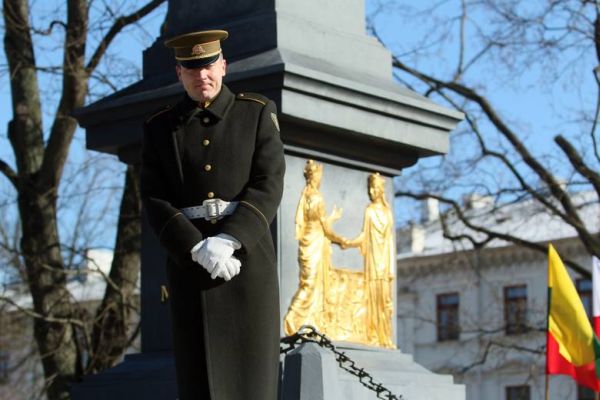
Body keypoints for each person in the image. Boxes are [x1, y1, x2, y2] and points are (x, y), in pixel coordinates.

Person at [140, 29, 285, 400]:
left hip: (246, 263)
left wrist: (230, 238)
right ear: (179, 73)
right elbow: (154, 197)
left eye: (207, 66)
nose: (201, 76)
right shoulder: (160, 128)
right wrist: (194, 247)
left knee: (252, 380)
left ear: (223, 65)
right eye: (191, 69)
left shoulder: (255, 113)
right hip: (192, 267)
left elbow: (269, 182)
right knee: (199, 379)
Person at [283, 160, 345, 335]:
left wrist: (331, 218)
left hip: (311, 241)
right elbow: (324, 227)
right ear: (314, 176)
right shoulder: (316, 197)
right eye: (319, 175)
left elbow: (318, 221)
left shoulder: (307, 194)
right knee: (309, 284)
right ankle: (291, 321)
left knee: (310, 283)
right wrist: (343, 240)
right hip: (314, 244)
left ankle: (310, 322)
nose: (320, 179)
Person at [342, 173, 395, 348]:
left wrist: (391, 270)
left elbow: (390, 241)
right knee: (372, 302)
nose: (372, 191)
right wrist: (349, 243)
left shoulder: (387, 212)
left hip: (383, 266)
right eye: (370, 188)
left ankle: (384, 338)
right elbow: (364, 235)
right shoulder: (369, 210)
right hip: (372, 265)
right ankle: (373, 336)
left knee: (384, 302)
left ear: (381, 190)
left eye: (375, 188)